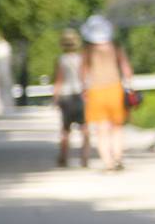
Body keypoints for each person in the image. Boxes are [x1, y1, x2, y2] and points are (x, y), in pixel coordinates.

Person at [78, 15, 132, 172]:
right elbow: (126, 69)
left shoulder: (88, 50)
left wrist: (84, 88)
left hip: (95, 90)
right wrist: (129, 85)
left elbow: (83, 72)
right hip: (115, 88)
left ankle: (108, 162)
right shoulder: (115, 47)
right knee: (117, 127)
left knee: (102, 129)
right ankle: (118, 157)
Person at [53, 29, 89, 167]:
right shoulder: (81, 59)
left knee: (65, 129)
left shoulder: (61, 60)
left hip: (66, 95)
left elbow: (59, 80)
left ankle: (63, 157)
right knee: (84, 128)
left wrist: (55, 98)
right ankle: (84, 158)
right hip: (79, 94)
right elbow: (84, 77)